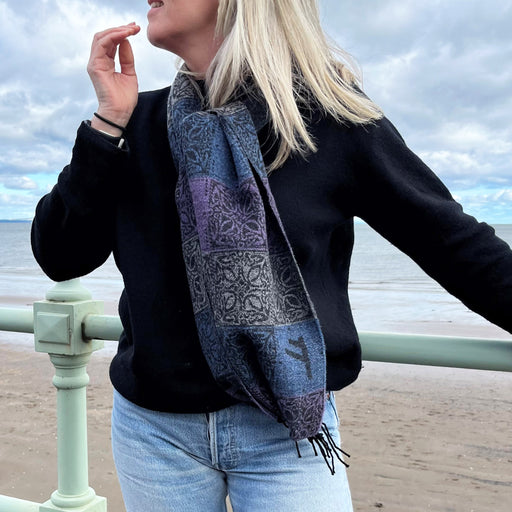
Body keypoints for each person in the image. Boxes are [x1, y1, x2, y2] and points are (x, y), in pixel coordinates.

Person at [31, 1, 512, 511]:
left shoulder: (330, 121)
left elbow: (453, 243)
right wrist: (108, 123)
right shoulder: (138, 122)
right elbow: (61, 255)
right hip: (153, 432)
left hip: (289, 430)